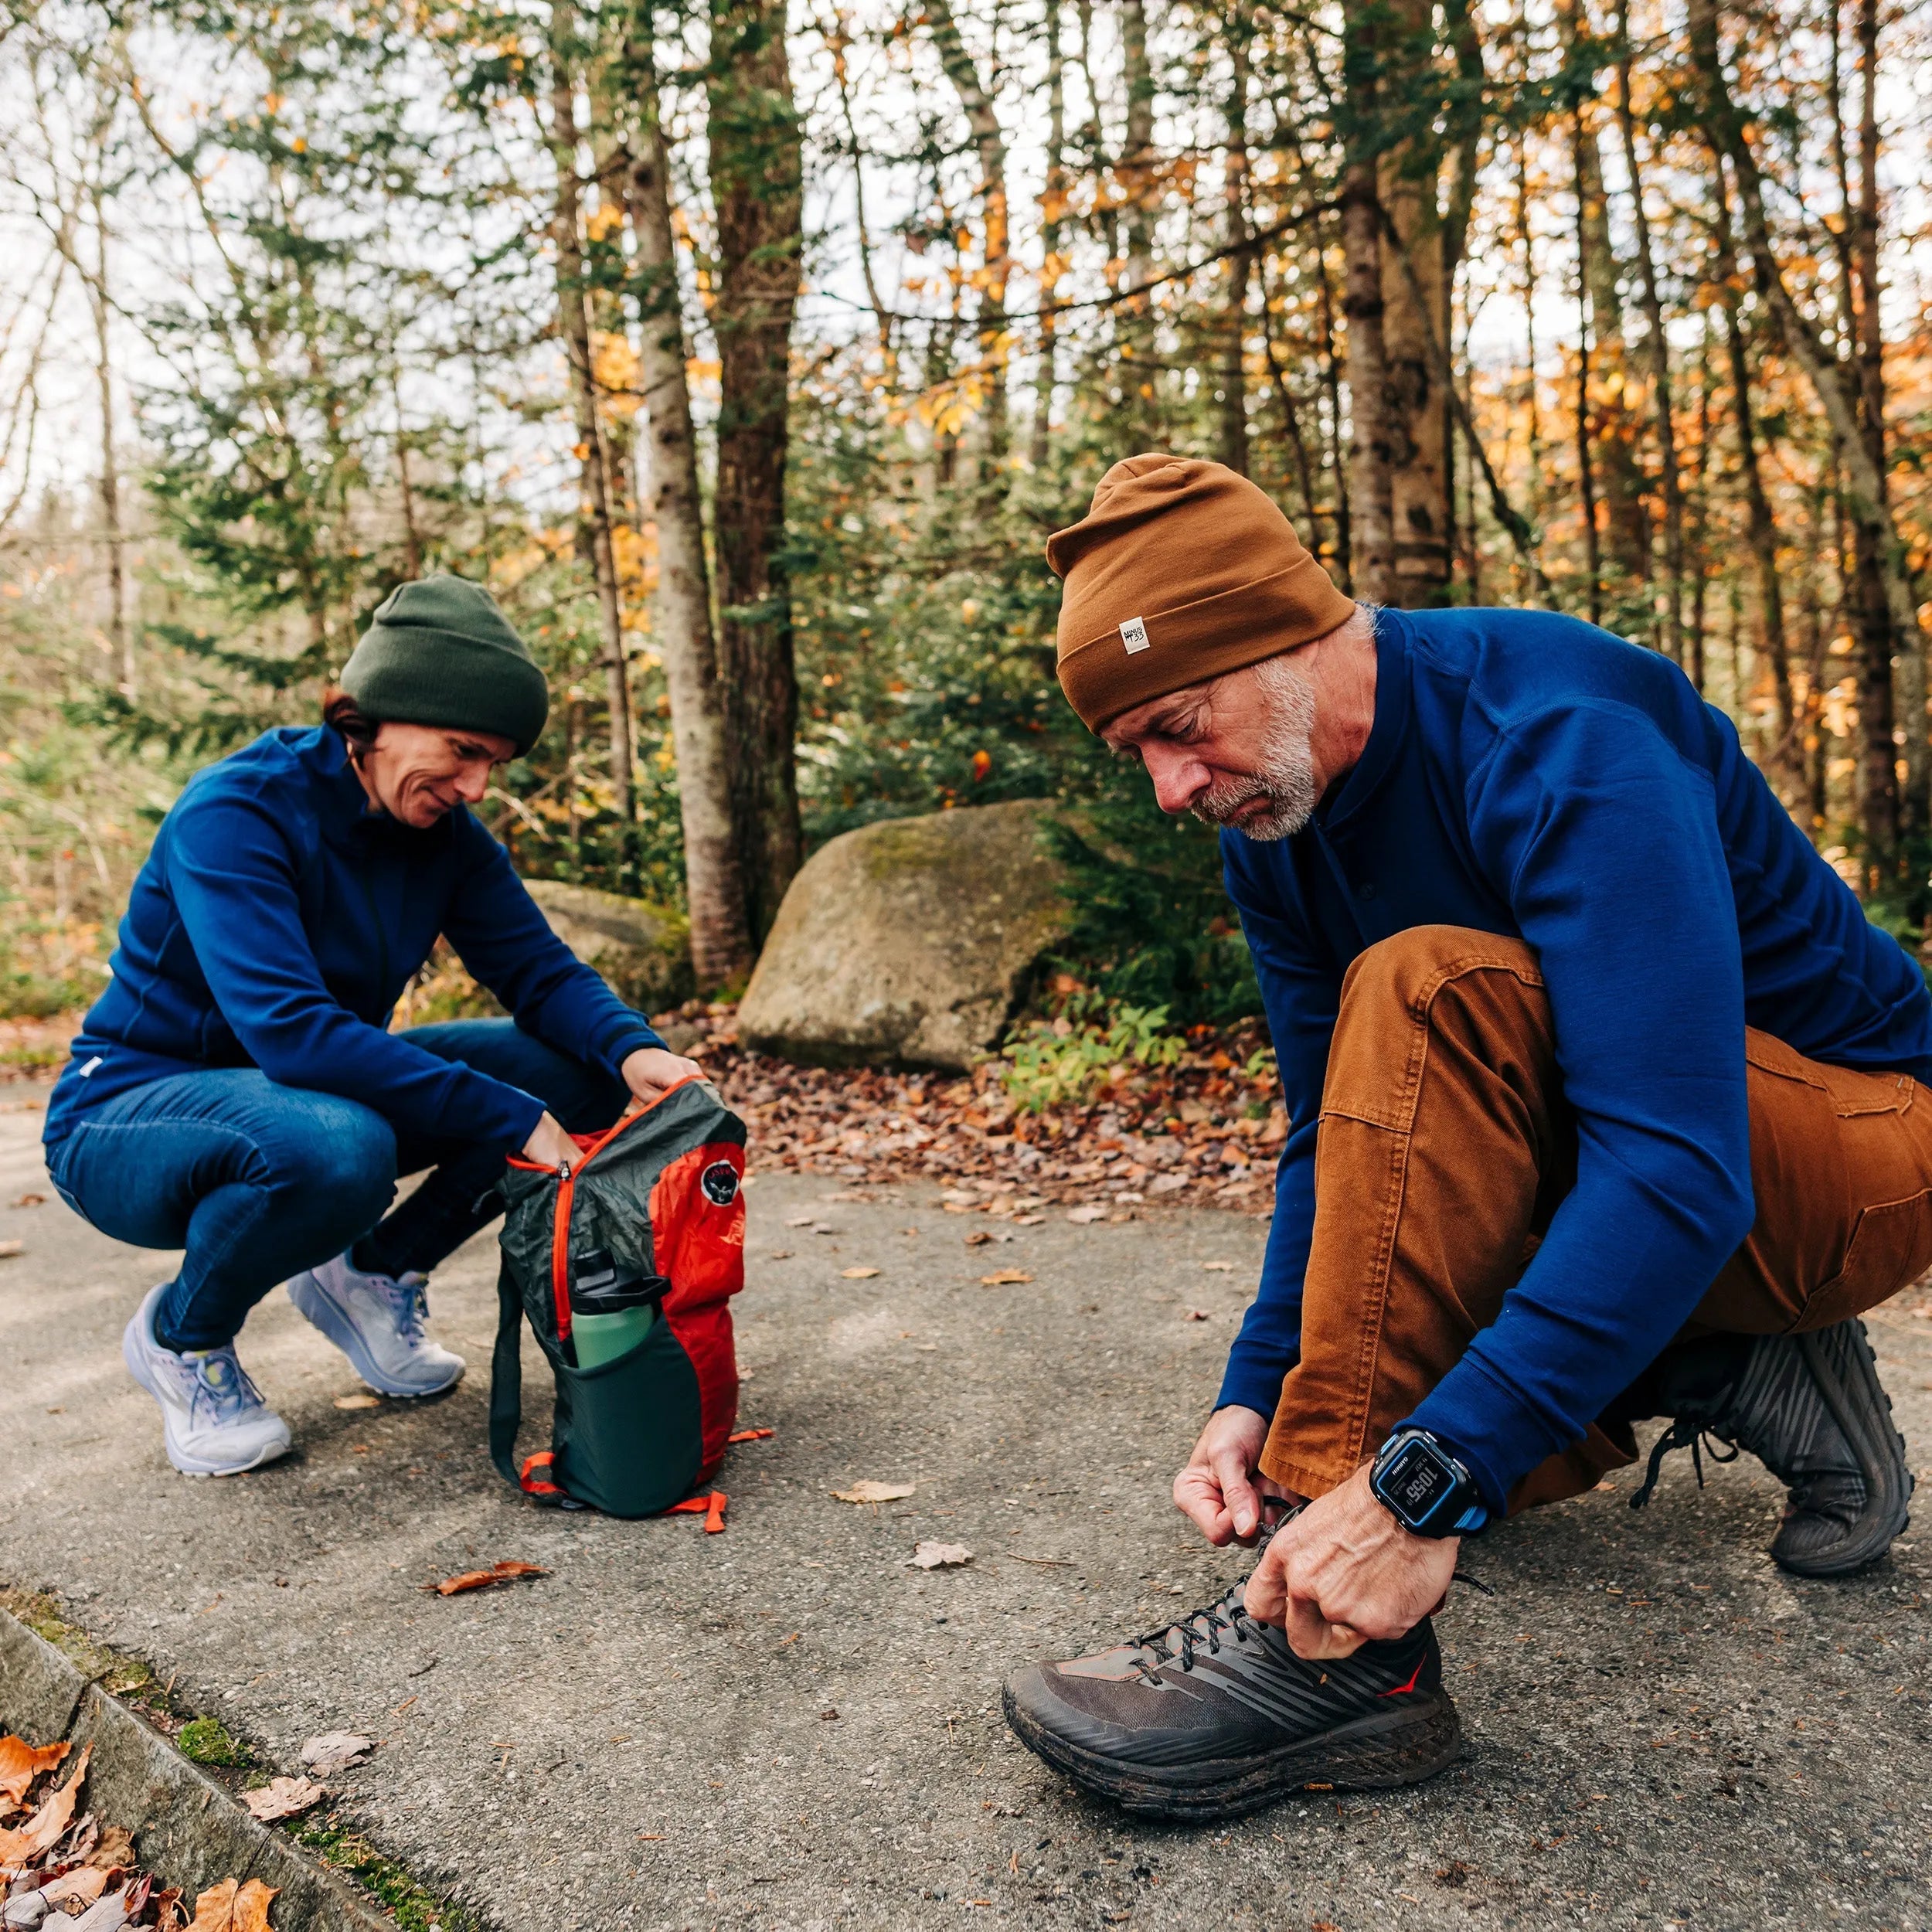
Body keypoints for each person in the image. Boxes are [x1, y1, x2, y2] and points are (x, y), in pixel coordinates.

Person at [1002, 455, 1927, 1820]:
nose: (1168, 787)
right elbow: (1335, 1135)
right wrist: (1262, 1389)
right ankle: (1740, 1360)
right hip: (1693, 1165)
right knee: (1421, 1023)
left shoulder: (1556, 727)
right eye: (1136, 748)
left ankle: (1338, 1659)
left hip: (1861, 1155)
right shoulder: (1276, 822)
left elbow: (1676, 1165)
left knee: (1429, 983)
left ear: (1285, 631)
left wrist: (1411, 1493)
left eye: (1180, 724)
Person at [43, 577, 701, 1478]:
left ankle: (373, 1274)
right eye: (462, 750)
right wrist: (503, 1116)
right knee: (338, 1145)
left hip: (305, 1098)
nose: (474, 786)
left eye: (493, 765)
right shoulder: (237, 813)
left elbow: (538, 972)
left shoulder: (446, 837)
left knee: (575, 1073)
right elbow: (291, 1032)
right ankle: (181, 1338)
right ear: (374, 716)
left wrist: (639, 1049)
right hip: (126, 1116)